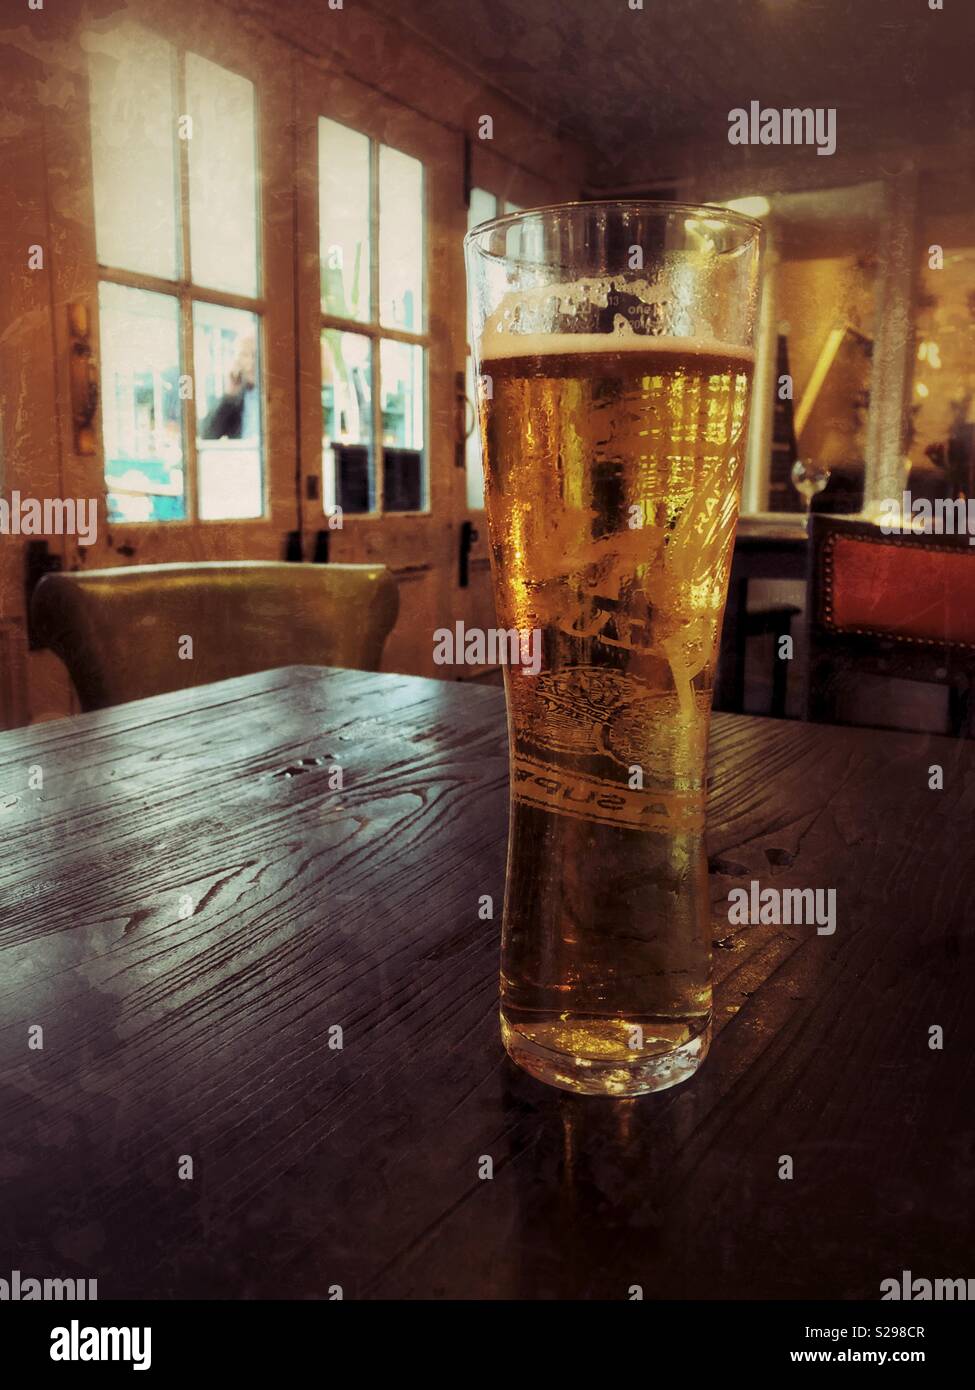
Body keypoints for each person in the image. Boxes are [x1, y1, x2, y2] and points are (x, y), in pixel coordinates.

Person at [201, 333, 259, 440]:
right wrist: (231, 393)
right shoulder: (235, 397)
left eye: (256, 355)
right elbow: (207, 435)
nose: (251, 362)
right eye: (244, 355)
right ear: (236, 360)